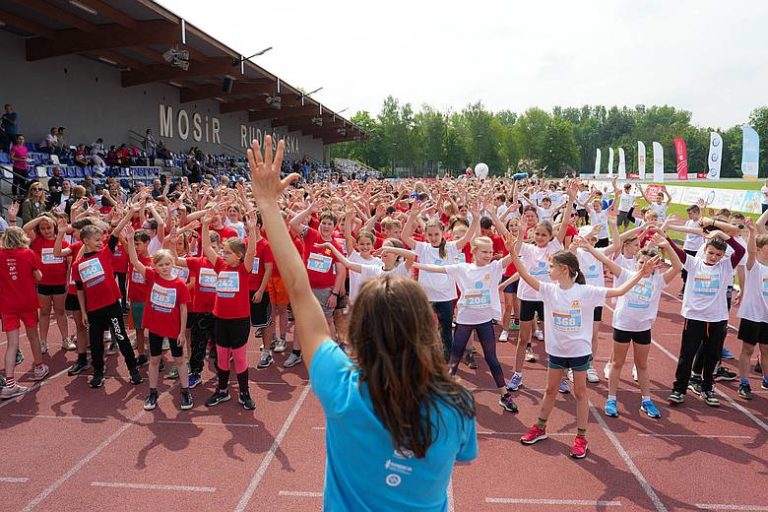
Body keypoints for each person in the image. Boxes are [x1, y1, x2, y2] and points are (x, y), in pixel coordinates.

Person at [248, 135, 477, 510]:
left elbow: (298, 289)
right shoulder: (456, 403)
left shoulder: (342, 388)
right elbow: (462, 456)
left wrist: (268, 205)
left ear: (359, 333)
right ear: (429, 330)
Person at [509, 240, 656, 459]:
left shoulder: (586, 291)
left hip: (578, 351)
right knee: (550, 390)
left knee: (580, 392)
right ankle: (540, 428)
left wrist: (641, 274)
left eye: (551, 267)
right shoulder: (549, 290)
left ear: (564, 269)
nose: (547, 270)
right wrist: (513, 253)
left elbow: (619, 290)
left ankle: (581, 437)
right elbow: (526, 276)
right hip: (557, 351)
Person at [416, 235, 519, 414]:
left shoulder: (494, 267)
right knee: (454, 357)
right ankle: (445, 394)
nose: (488, 255)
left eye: (490, 252)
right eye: (484, 252)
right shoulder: (462, 268)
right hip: (465, 319)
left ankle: (504, 395)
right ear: (474, 251)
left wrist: (518, 240)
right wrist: (416, 265)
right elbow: (436, 268)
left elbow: (514, 254)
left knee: (492, 358)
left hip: (485, 321)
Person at [665, 227, 744, 407]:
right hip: (694, 318)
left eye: (717, 254)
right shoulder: (694, 264)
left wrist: (720, 235)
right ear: (704, 251)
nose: (713, 257)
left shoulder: (726, 266)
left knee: (712, 356)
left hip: (717, 319)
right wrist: (666, 237)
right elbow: (677, 251)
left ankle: (708, 388)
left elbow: (740, 250)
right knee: (687, 355)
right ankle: (679, 389)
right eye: (710, 253)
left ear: (723, 255)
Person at [401, 201, 478, 359]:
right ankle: (426, 358)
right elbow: (404, 236)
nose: (433, 238)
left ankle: (446, 361)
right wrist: (413, 216)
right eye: (430, 235)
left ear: (443, 233)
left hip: (446, 297)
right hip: (427, 297)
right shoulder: (423, 248)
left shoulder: (450, 247)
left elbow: (467, 237)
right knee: (425, 330)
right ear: (425, 235)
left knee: (446, 332)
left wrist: (475, 218)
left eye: (436, 234)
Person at [125, 233, 193, 411]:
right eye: (160, 265)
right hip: (155, 326)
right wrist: (131, 239)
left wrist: (181, 332)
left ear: (173, 264)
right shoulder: (151, 276)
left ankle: (185, 391)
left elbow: (184, 308)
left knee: (179, 360)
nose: (164, 268)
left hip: (173, 328)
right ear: (154, 266)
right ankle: (153, 392)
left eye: (168, 264)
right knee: (154, 360)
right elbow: (134, 260)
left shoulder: (180, 284)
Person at [72, 224, 142, 388]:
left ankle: (133, 370)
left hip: (112, 306)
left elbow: (116, 232)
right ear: (86, 241)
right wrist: (83, 312)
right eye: (97, 240)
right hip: (93, 310)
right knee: (96, 343)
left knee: (121, 336)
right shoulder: (77, 265)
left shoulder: (104, 253)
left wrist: (130, 212)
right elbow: (80, 290)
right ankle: (98, 373)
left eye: (102, 238)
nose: (101, 242)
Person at [201, 212, 258, 410]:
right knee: (222, 357)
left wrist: (252, 230)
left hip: (239, 320)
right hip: (220, 319)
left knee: (240, 358)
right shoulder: (220, 266)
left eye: (227, 252)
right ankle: (222, 391)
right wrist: (205, 226)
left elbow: (251, 253)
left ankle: (244, 393)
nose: (223, 255)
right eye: (223, 252)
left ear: (239, 256)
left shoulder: (243, 269)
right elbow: (207, 247)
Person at [0, 227, 48, 399]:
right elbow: (39, 276)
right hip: (27, 301)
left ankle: (10, 383)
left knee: (12, 343)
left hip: (7, 304)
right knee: (33, 335)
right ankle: (38, 367)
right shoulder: (28, 253)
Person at [24, 214, 72, 353]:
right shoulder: (37, 241)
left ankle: (65, 339)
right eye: (43, 228)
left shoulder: (62, 242)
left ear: (54, 227)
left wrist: (68, 280)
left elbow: (69, 264)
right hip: (43, 284)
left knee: (60, 311)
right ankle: (43, 342)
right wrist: (42, 217)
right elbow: (26, 227)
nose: (46, 231)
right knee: (44, 312)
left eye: (49, 227)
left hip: (60, 283)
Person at [735, 214, 768, 399]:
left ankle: (766, 379)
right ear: (761, 249)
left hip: (766, 316)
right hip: (752, 315)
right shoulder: (753, 265)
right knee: (747, 349)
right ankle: (744, 383)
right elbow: (751, 252)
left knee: (766, 350)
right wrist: (752, 233)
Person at [10, 135, 29, 199]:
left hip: (24, 167)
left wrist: (26, 159)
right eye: (20, 139)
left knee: (23, 182)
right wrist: (20, 159)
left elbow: (26, 157)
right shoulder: (14, 147)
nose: (21, 140)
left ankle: (22, 195)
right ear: (17, 140)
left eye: (22, 139)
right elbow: (11, 157)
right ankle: (14, 194)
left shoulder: (25, 148)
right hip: (17, 167)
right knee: (16, 181)